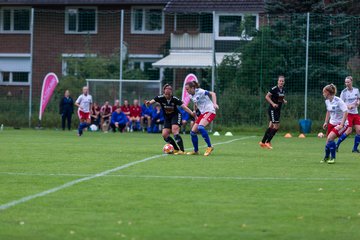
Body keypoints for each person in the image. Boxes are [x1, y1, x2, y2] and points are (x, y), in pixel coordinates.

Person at [146, 84, 194, 154]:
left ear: (171, 92)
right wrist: (148, 103)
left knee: (175, 131)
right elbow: (150, 102)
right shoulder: (160, 98)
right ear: (164, 91)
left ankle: (182, 150)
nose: (168, 91)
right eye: (167, 89)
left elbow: (184, 107)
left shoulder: (175, 99)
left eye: (170, 89)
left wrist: (191, 113)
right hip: (167, 117)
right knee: (165, 134)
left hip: (176, 115)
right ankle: (176, 149)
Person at [185, 81, 219, 156]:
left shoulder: (200, 91)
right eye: (186, 89)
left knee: (200, 127)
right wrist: (194, 110)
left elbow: (213, 93)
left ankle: (210, 147)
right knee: (193, 132)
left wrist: (215, 103)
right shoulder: (191, 95)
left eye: (188, 89)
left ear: (193, 88)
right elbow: (195, 103)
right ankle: (196, 151)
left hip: (210, 111)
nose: (187, 91)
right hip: (203, 113)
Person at [322, 84, 348, 164]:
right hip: (331, 123)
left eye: (324, 92)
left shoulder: (338, 100)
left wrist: (341, 124)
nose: (323, 94)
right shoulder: (327, 101)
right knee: (327, 142)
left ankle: (333, 158)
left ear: (328, 92)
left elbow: (345, 111)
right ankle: (326, 157)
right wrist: (326, 122)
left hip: (341, 124)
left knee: (330, 138)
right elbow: (328, 111)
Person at [259, 75, 287, 149]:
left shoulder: (283, 89)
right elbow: (267, 96)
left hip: (278, 110)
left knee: (271, 126)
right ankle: (268, 142)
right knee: (276, 126)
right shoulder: (274, 89)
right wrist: (273, 104)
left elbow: (280, 98)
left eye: (282, 81)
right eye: (280, 81)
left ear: (284, 82)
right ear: (278, 81)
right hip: (272, 109)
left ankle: (262, 142)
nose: (281, 82)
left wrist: (283, 101)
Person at [336, 76, 360, 153]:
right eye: (346, 82)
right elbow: (340, 103)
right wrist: (347, 106)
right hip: (348, 114)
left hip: (355, 113)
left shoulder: (356, 90)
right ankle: (337, 145)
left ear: (351, 82)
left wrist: (358, 103)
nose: (347, 84)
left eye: (348, 82)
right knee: (349, 131)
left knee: (359, 131)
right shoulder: (343, 92)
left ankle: (355, 149)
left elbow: (358, 99)